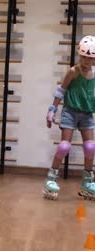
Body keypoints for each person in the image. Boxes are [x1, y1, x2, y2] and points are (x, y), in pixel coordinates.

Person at [45, 35, 95, 200]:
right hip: (70, 112)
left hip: (87, 113)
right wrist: (52, 109)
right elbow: (62, 90)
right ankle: (51, 179)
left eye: (90, 57)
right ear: (79, 55)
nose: (86, 60)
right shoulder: (74, 71)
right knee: (64, 146)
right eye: (83, 56)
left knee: (90, 147)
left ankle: (87, 182)